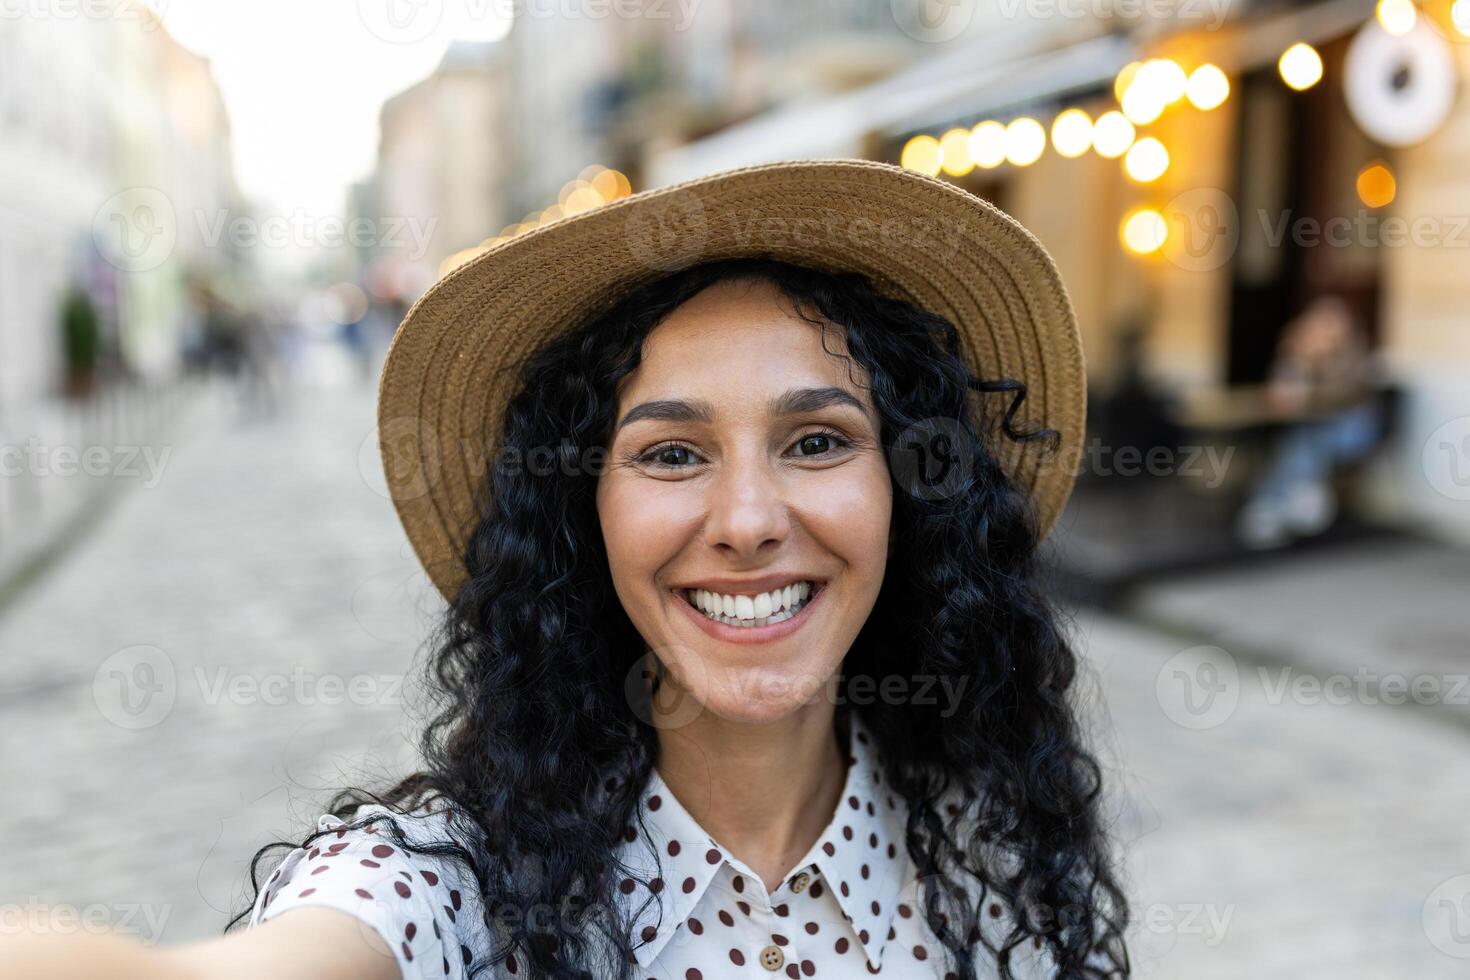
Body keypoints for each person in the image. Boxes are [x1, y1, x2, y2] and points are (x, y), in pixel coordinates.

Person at [3, 161, 1130, 979]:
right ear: (580, 510)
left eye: (819, 439)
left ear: (910, 491)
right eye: (672, 452)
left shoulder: (985, 840)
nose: (747, 519)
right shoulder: (452, 890)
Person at [1236, 295, 1382, 548]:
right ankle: (1292, 498)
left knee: (1304, 443)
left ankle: (1272, 504)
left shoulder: (1353, 355)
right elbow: (1281, 391)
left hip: (1353, 428)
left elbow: (1345, 394)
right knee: (1296, 443)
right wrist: (1300, 360)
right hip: (1315, 426)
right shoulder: (1298, 349)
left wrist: (1318, 367)